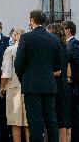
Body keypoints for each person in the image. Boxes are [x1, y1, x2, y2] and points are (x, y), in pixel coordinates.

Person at [15, 10, 61, 142]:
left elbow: (18, 63)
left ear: (31, 20)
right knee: (51, 122)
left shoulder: (25, 37)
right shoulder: (54, 39)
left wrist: (24, 78)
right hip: (49, 85)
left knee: (35, 123)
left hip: (31, 86)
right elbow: (58, 65)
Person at [0, 28, 29, 142]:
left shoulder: (10, 49)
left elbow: (6, 72)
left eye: (13, 35)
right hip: (29, 88)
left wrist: (2, 87)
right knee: (28, 122)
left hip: (14, 88)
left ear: (16, 36)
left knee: (15, 122)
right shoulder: (30, 49)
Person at [61, 21, 79, 142]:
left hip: (75, 89)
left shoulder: (74, 43)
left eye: (63, 29)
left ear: (68, 30)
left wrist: (71, 78)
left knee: (76, 120)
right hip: (72, 89)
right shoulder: (68, 44)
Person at [47, 24, 71, 142]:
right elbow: (68, 72)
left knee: (59, 123)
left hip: (57, 87)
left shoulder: (56, 49)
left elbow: (57, 71)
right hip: (64, 87)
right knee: (63, 122)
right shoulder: (65, 48)